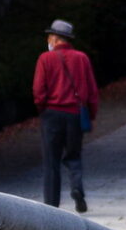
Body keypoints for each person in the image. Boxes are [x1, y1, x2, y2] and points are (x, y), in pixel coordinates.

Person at [33, 17, 99, 212]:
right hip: (74, 114)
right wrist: (91, 115)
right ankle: (77, 189)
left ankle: (52, 204)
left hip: (52, 114)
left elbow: (38, 90)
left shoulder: (45, 59)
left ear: (54, 39)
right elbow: (92, 91)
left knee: (51, 161)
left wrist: (42, 109)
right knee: (74, 156)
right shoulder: (82, 58)